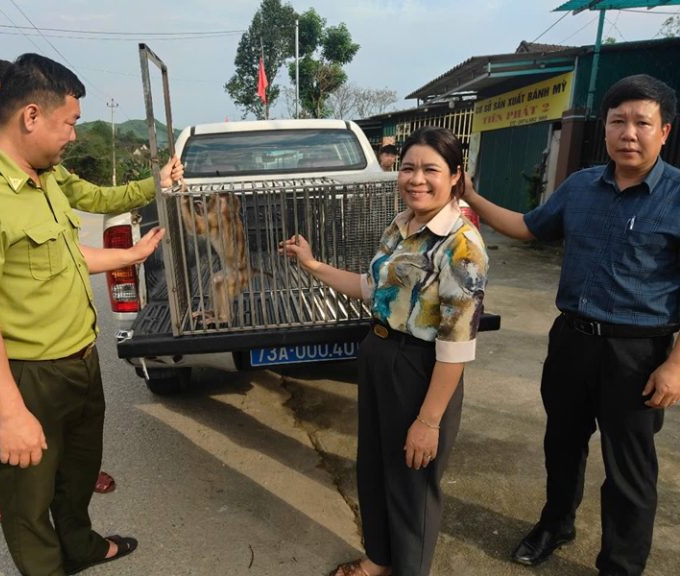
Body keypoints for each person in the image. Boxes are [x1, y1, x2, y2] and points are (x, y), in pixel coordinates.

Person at [0, 53, 182, 576]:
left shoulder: (43, 179)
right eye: (69, 123)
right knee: (27, 501)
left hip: (78, 363)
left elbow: (65, 253)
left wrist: (129, 256)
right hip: (26, 374)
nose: (72, 135)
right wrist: (12, 413)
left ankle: (81, 545)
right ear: (32, 117)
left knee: (77, 474)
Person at [462, 74, 680, 576]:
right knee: (561, 445)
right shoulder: (581, 186)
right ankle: (556, 525)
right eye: (618, 121)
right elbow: (527, 227)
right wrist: (472, 195)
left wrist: (673, 366)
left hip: (638, 354)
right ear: (604, 127)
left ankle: (620, 565)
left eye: (642, 123)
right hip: (572, 343)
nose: (629, 132)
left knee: (630, 471)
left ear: (664, 131)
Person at [281, 126, 488, 576]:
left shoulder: (461, 244)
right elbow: (370, 288)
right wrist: (313, 264)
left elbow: (457, 343)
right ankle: (379, 560)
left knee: (413, 484)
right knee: (375, 468)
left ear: (455, 176)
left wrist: (428, 421)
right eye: (409, 167)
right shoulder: (402, 225)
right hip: (378, 354)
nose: (416, 179)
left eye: (430, 169)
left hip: (421, 368)